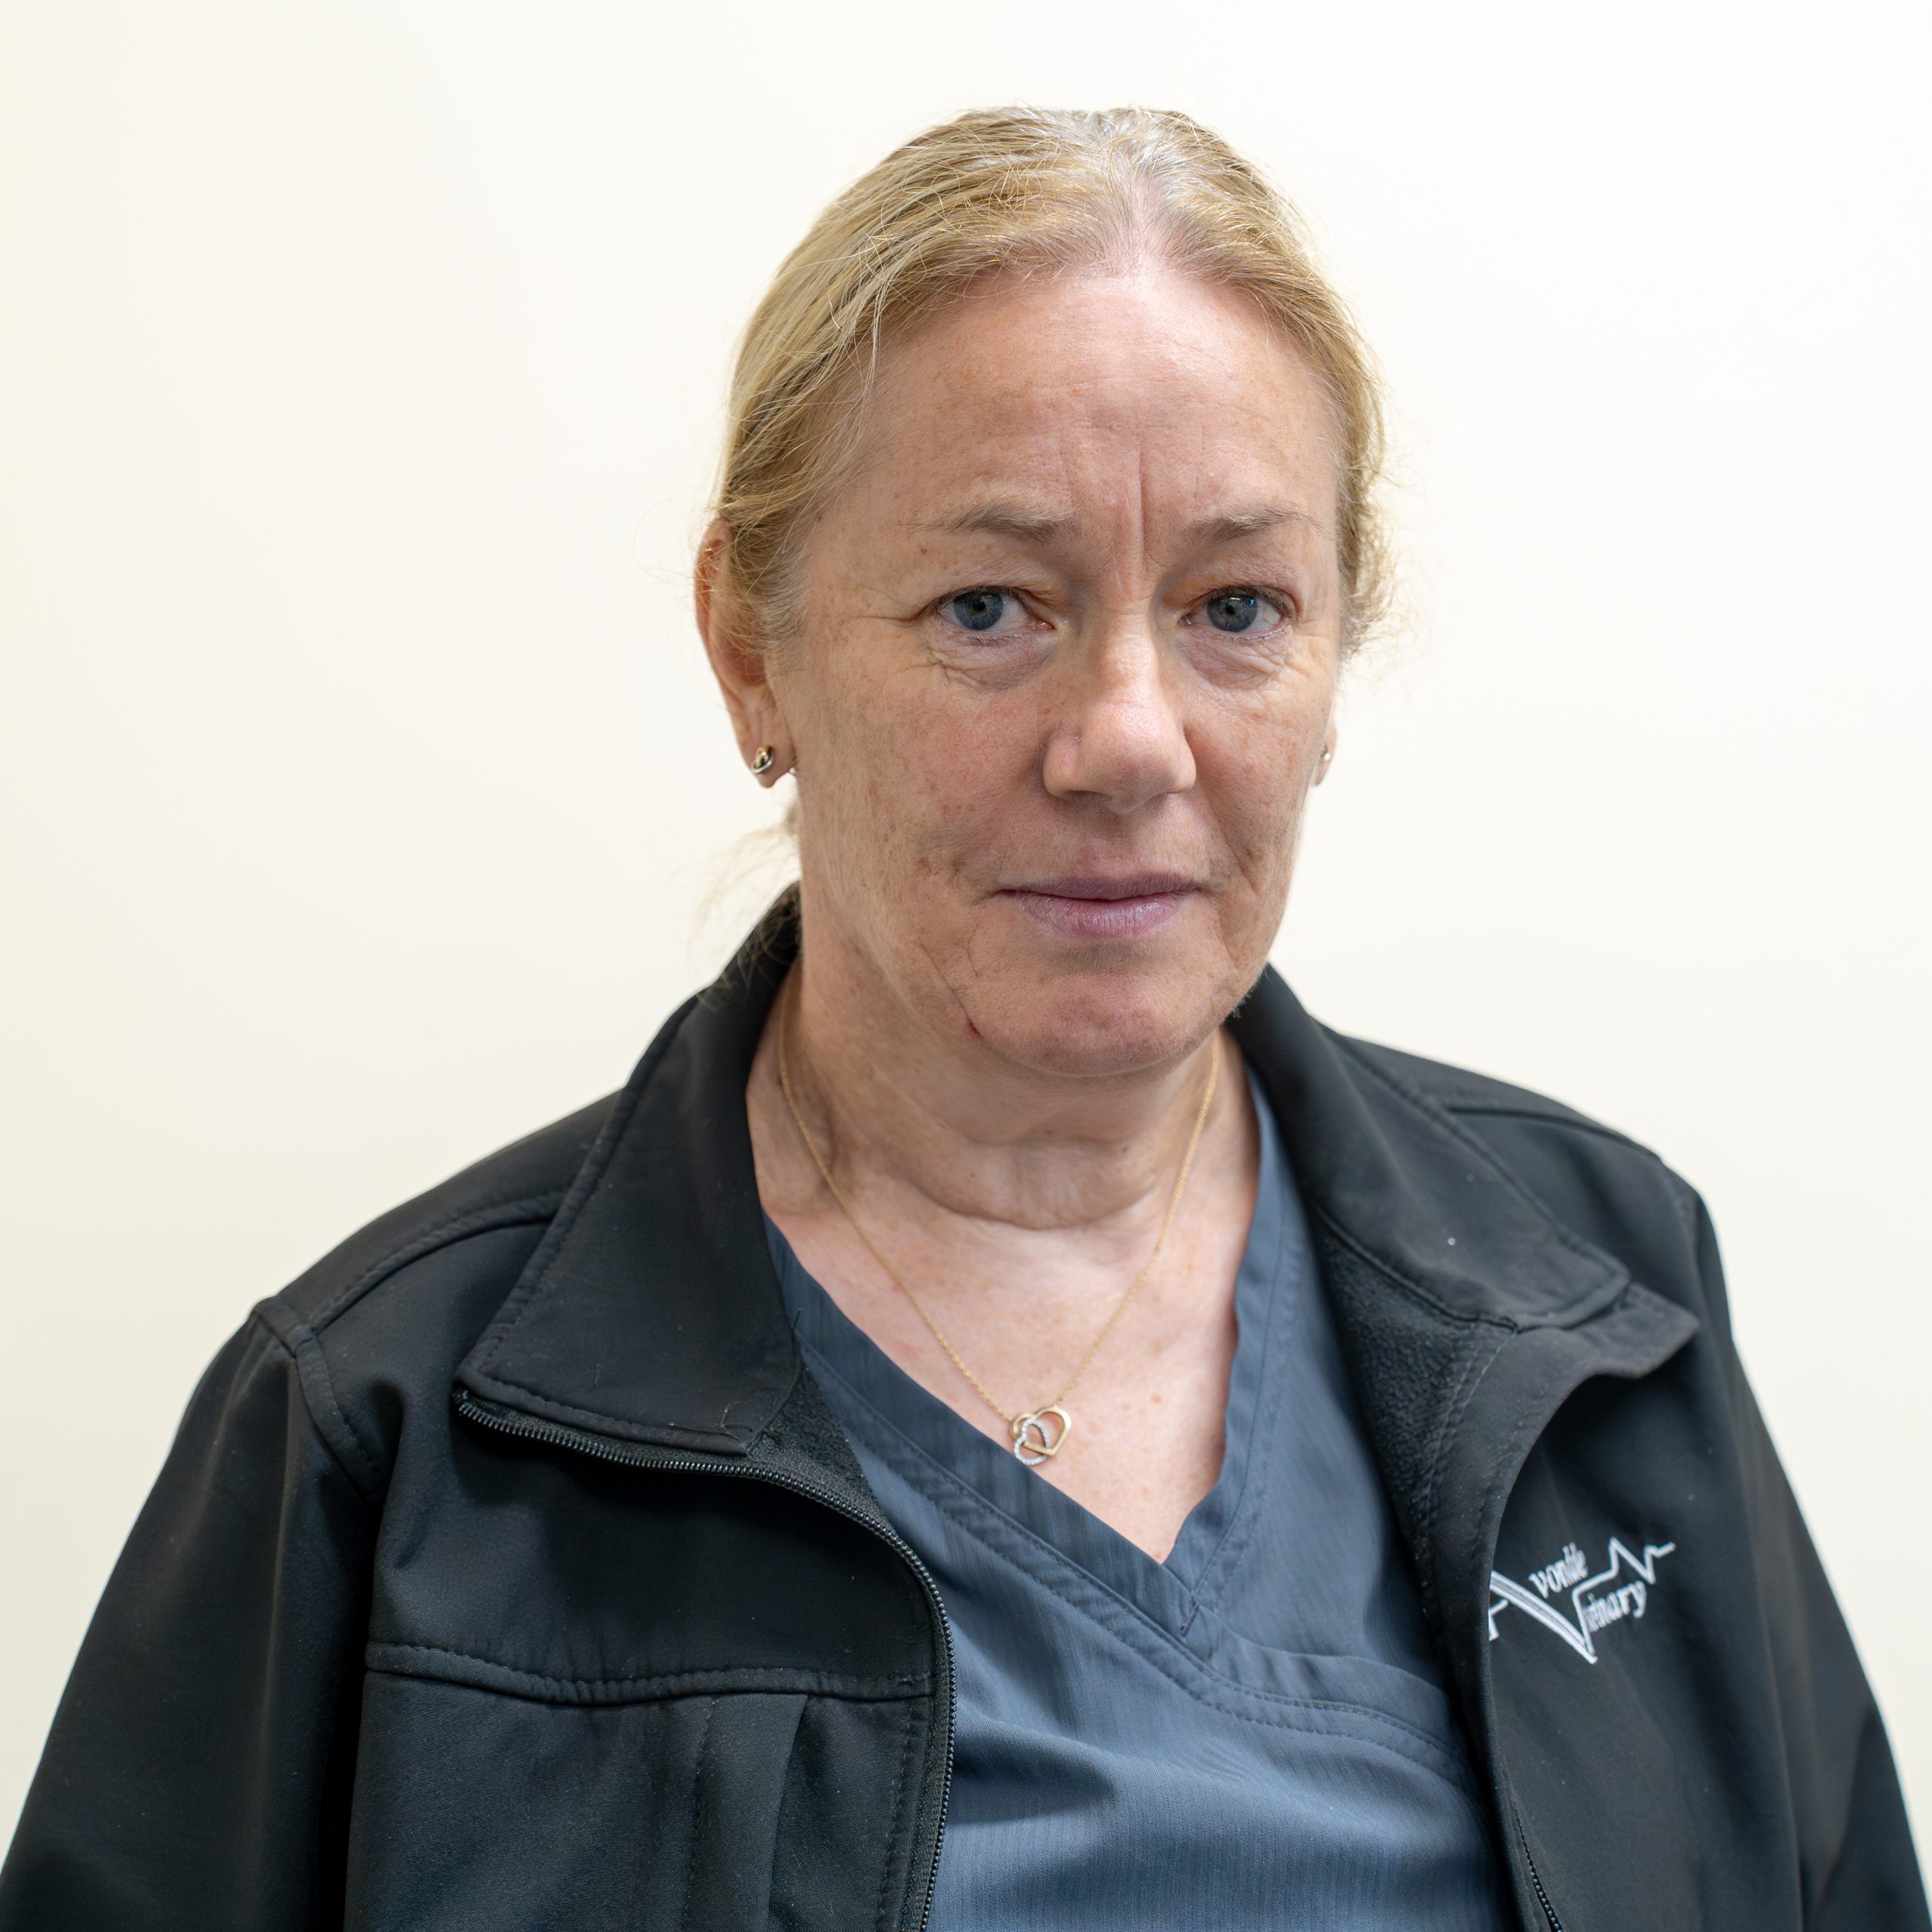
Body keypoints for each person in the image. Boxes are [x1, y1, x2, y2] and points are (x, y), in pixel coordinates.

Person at [1, 105, 1923, 1932]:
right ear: (749, 650)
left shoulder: (1601, 1290)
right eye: (991, 606)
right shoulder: (380, 1426)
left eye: (1235, 607)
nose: (1127, 741)